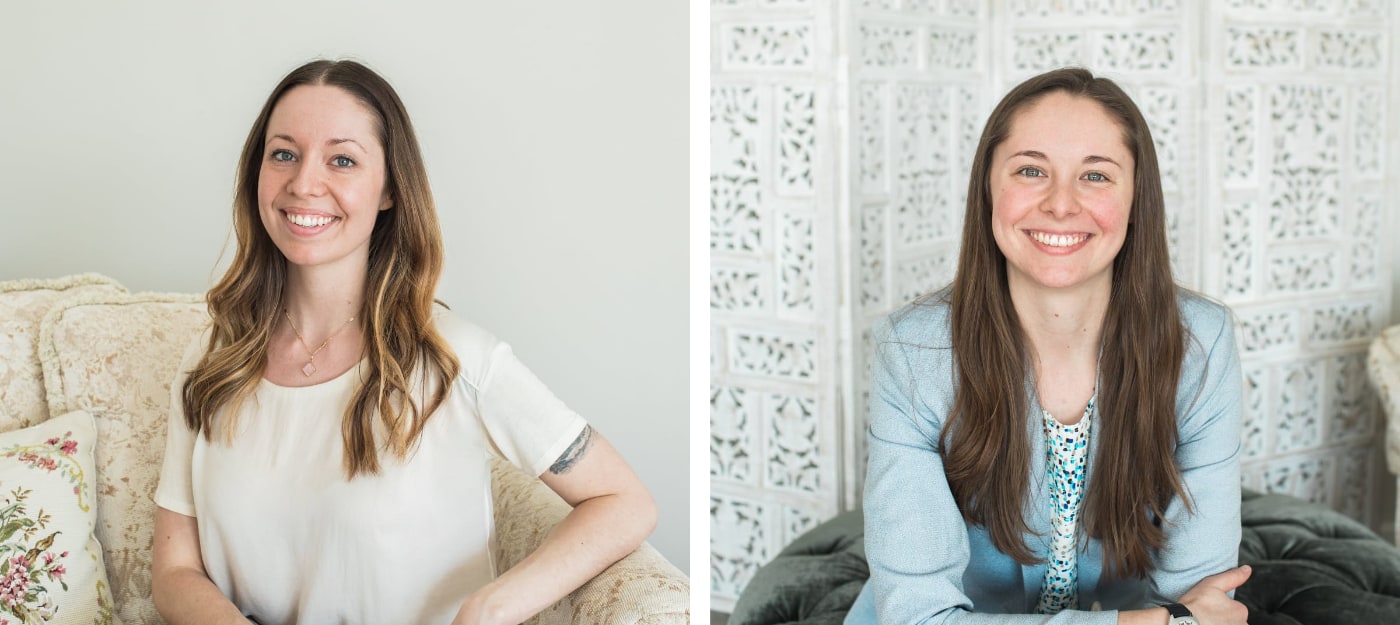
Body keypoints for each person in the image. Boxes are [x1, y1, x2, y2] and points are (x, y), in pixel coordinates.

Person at [150, 59, 657, 625]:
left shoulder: (457, 361)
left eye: (342, 160)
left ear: (390, 188)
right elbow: (175, 570)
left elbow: (624, 502)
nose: (304, 183)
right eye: (283, 153)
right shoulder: (213, 361)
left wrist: (488, 608)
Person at [844, 68, 1250, 625]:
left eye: (1096, 176)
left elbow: (1201, 600)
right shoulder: (913, 352)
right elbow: (919, 619)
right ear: (989, 187)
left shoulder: (1201, 344)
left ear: (1137, 200)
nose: (1061, 204)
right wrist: (1148, 624)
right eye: (1031, 170)